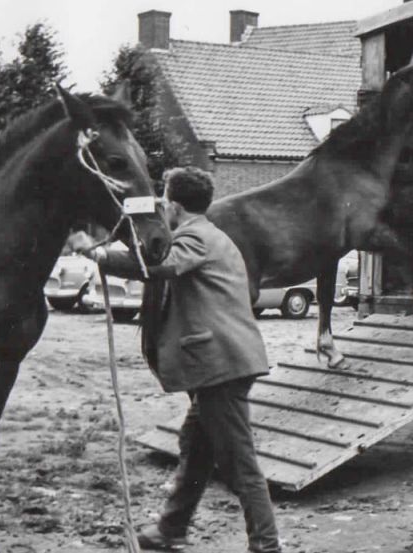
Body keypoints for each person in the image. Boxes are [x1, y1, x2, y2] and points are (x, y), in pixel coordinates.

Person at [71, 167, 281, 553]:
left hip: (221, 366)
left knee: (241, 463)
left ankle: (266, 546)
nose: (163, 209)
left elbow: (159, 265)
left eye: (165, 203)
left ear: (175, 206)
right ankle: (170, 530)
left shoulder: (196, 238)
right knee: (197, 449)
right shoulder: (210, 234)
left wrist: (96, 252)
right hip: (224, 363)